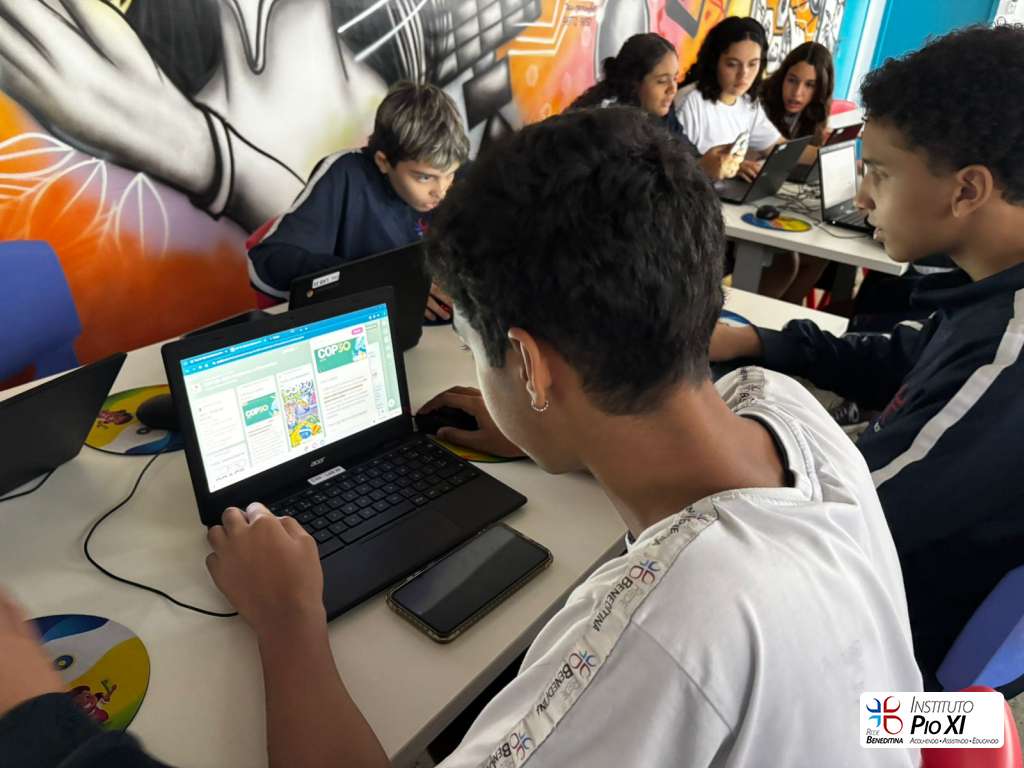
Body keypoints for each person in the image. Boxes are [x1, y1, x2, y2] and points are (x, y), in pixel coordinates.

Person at [0, 107, 921, 767]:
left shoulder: (666, 630)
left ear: (530, 366)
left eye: (476, 351)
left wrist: (287, 621)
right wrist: (560, 437)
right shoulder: (788, 410)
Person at [709, 25, 1024, 685]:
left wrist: (639, 434)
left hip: (894, 683)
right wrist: (757, 341)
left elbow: (841, 518)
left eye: (878, 173)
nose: (861, 198)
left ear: (967, 190)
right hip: (895, 609)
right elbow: (906, 359)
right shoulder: (991, 298)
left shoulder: (1010, 350)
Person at [247, 81, 470, 321]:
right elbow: (268, 262)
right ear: (384, 162)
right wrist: (378, 282)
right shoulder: (346, 175)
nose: (441, 191)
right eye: (425, 177)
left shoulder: (459, 180)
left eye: (450, 174)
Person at [569, 32, 739, 180]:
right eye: (662, 81)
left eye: (675, 78)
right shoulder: (606, 121)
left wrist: (715, 161)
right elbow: (631, 184)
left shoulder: (658, 108)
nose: (673, 89)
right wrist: (699, 169)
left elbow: (684, 150)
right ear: (633, 83)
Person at [759, 41, 836, 302]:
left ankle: (785, 314)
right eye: (792, 80)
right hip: (754, 207)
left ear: (821, 89)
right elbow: (779, 151)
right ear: (782, 76)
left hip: (777, 201)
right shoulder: (759, 103)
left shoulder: (813, 116)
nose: (797, 93)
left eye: (809, 85)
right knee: (788, 262)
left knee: (819, 255)